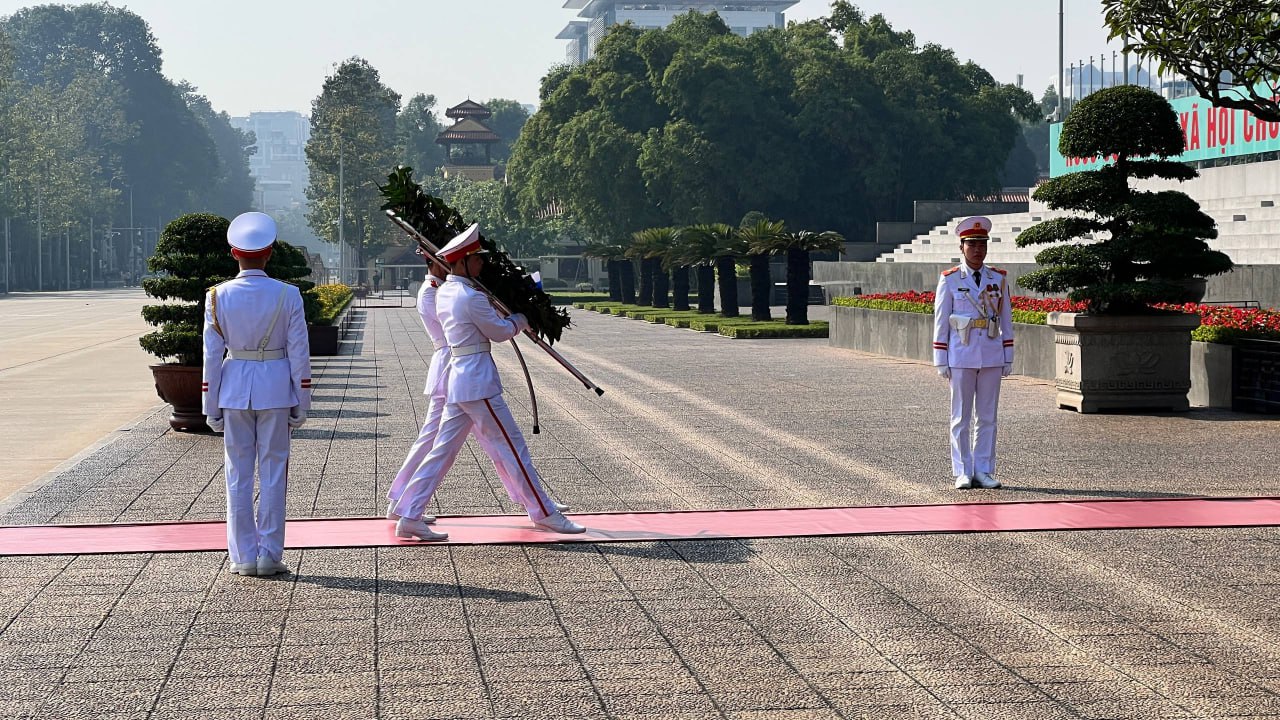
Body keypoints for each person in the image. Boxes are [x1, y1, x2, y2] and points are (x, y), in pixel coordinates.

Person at [391, 224, 584, 540]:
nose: (481, 263)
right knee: (511, 446)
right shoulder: (469, 296)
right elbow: (500, 332)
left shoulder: (448, 292)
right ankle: (545, 513)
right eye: (476, 257)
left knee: (442, 452)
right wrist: (521, 318)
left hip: (461, 380)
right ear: (463, 261)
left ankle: (410, 513)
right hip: (477, 382)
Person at [203, 212, 311, 576]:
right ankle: (270, 554)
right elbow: (299, 353)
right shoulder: (288, 294)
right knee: (274, 471)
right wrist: (303, 400)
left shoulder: (217, 296)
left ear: (234, 253)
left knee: (238, 473)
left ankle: (243, 557)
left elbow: (211, 356)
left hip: (234, 388)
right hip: (276, 388)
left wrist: (210, 405)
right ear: (268, 253)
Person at [932, 216, 1014, 490]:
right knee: (961, 417)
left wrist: (1008, 354)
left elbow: (1005, 318)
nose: (978, 249)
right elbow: (941, 320)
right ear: (962, 247)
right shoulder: (951, 279)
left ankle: (984, 470)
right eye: (972, 244)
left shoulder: (998, 278)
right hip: (962, 353)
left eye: (982, 244)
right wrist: (940, 358)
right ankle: (962, 471)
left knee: (988, 416)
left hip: (990, 353)